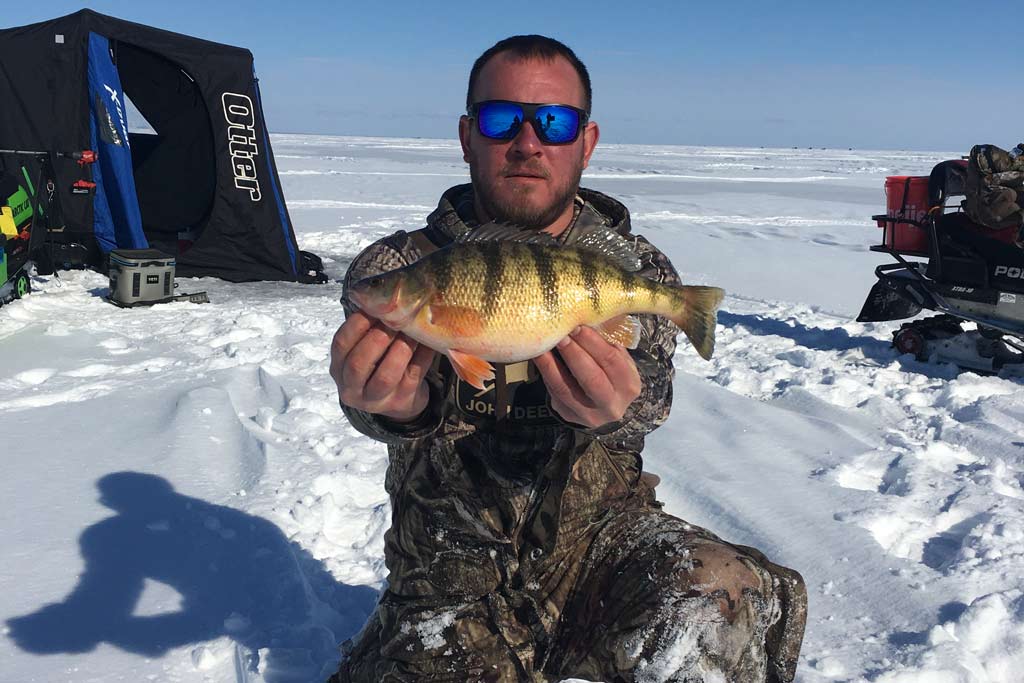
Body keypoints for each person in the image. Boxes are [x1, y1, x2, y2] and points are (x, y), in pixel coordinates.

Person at [328, 35, 807, 683]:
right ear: (468, 136)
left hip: (602, 545)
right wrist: (396, 408)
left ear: (586, 141)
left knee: (720, 590)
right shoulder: (400, 268)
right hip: (452, 568)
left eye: (554, 122)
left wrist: (611, 410)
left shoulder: (637, 268)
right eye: (502, 119)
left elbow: (647, 407)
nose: (528, 142)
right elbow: (380, 407)